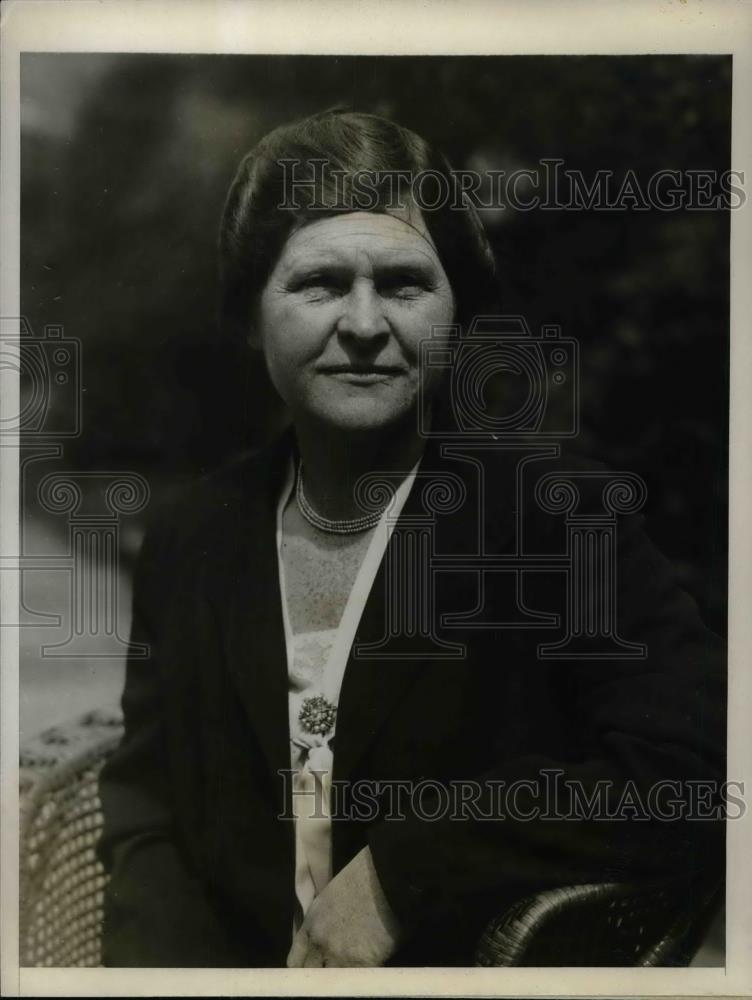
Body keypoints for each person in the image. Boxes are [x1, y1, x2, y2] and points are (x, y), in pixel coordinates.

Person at [96, 109, 726, 968]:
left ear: (455, 311)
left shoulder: (559, 521)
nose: (364, 323)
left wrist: (407, 872)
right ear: (249, 314)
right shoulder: (190, 539)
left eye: (403, 284)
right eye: (320, 283)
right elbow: (148, 810)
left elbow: (695, 771)